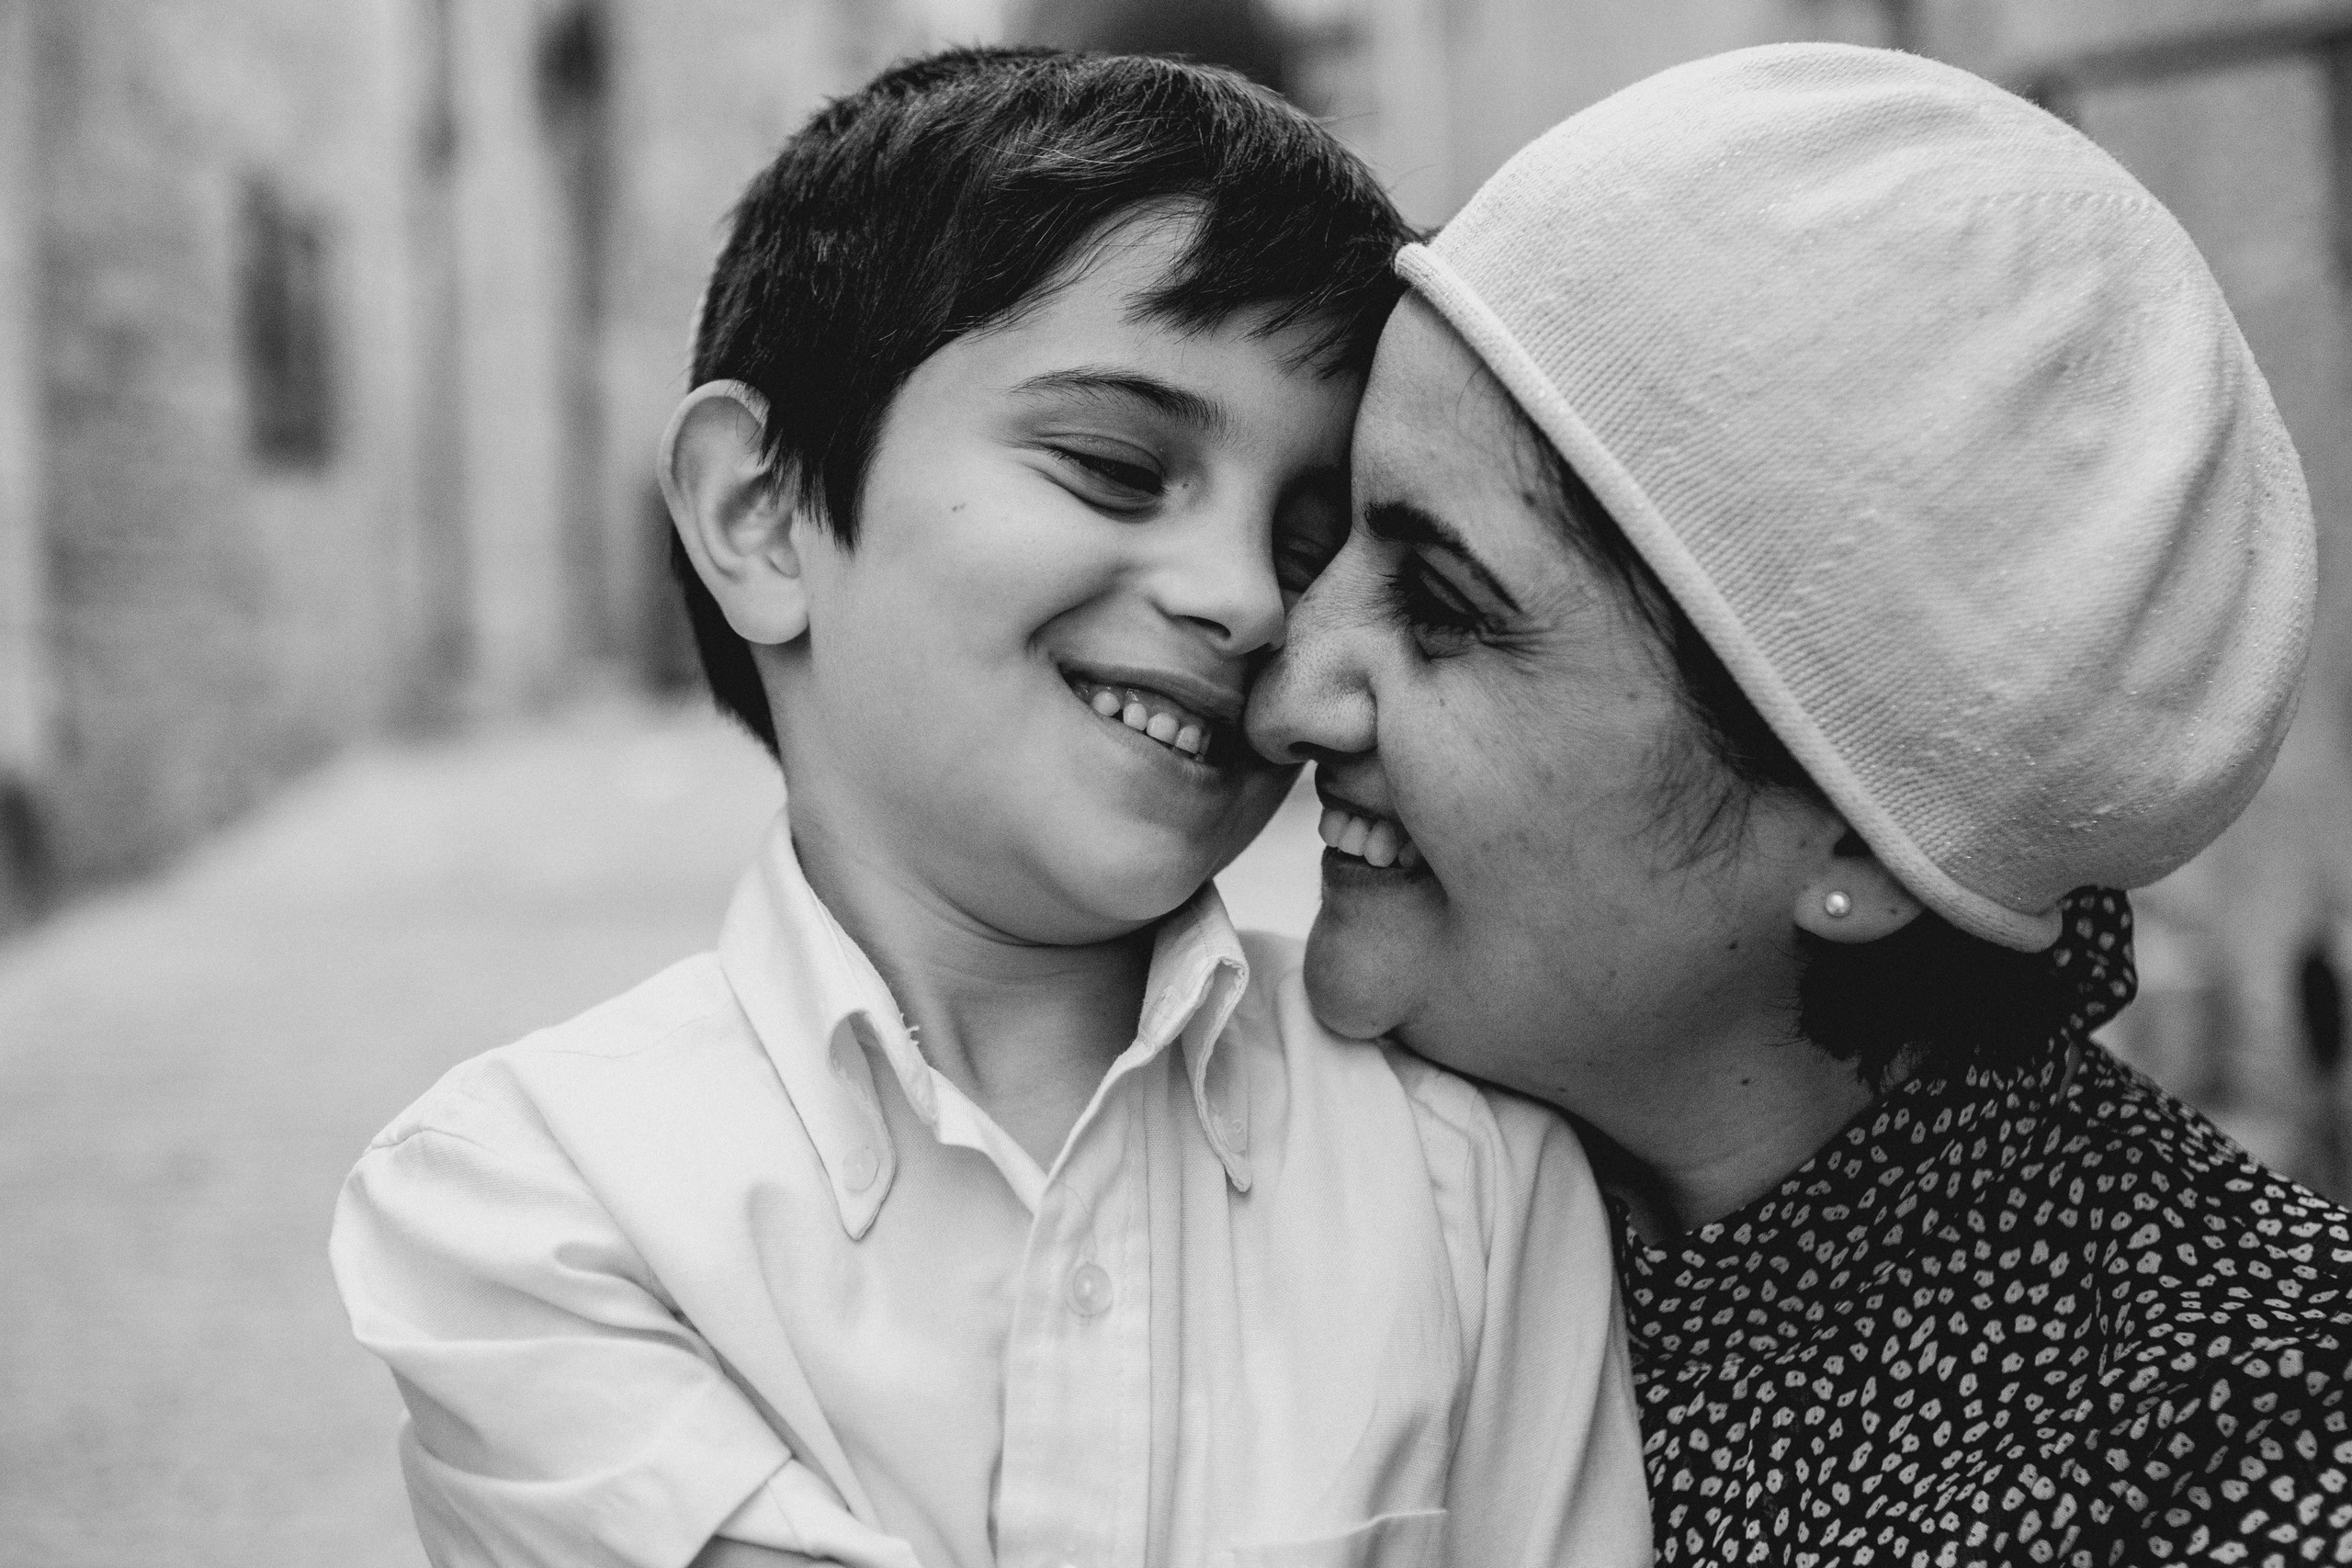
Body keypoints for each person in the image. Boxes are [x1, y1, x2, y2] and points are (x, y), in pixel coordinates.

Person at [329, 47, 1650, 1568]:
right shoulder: (532, 1203)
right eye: (1113, 466)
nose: (1241, 599)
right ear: (761, 513)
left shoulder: (1472, 1173)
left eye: (1306, 545)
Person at [1249, 42, 2351, 1567]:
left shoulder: (2228, 1450)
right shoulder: (1244, 1163)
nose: (1288, 691)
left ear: (1854, 843)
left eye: (1443, 607)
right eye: (1327, 539)